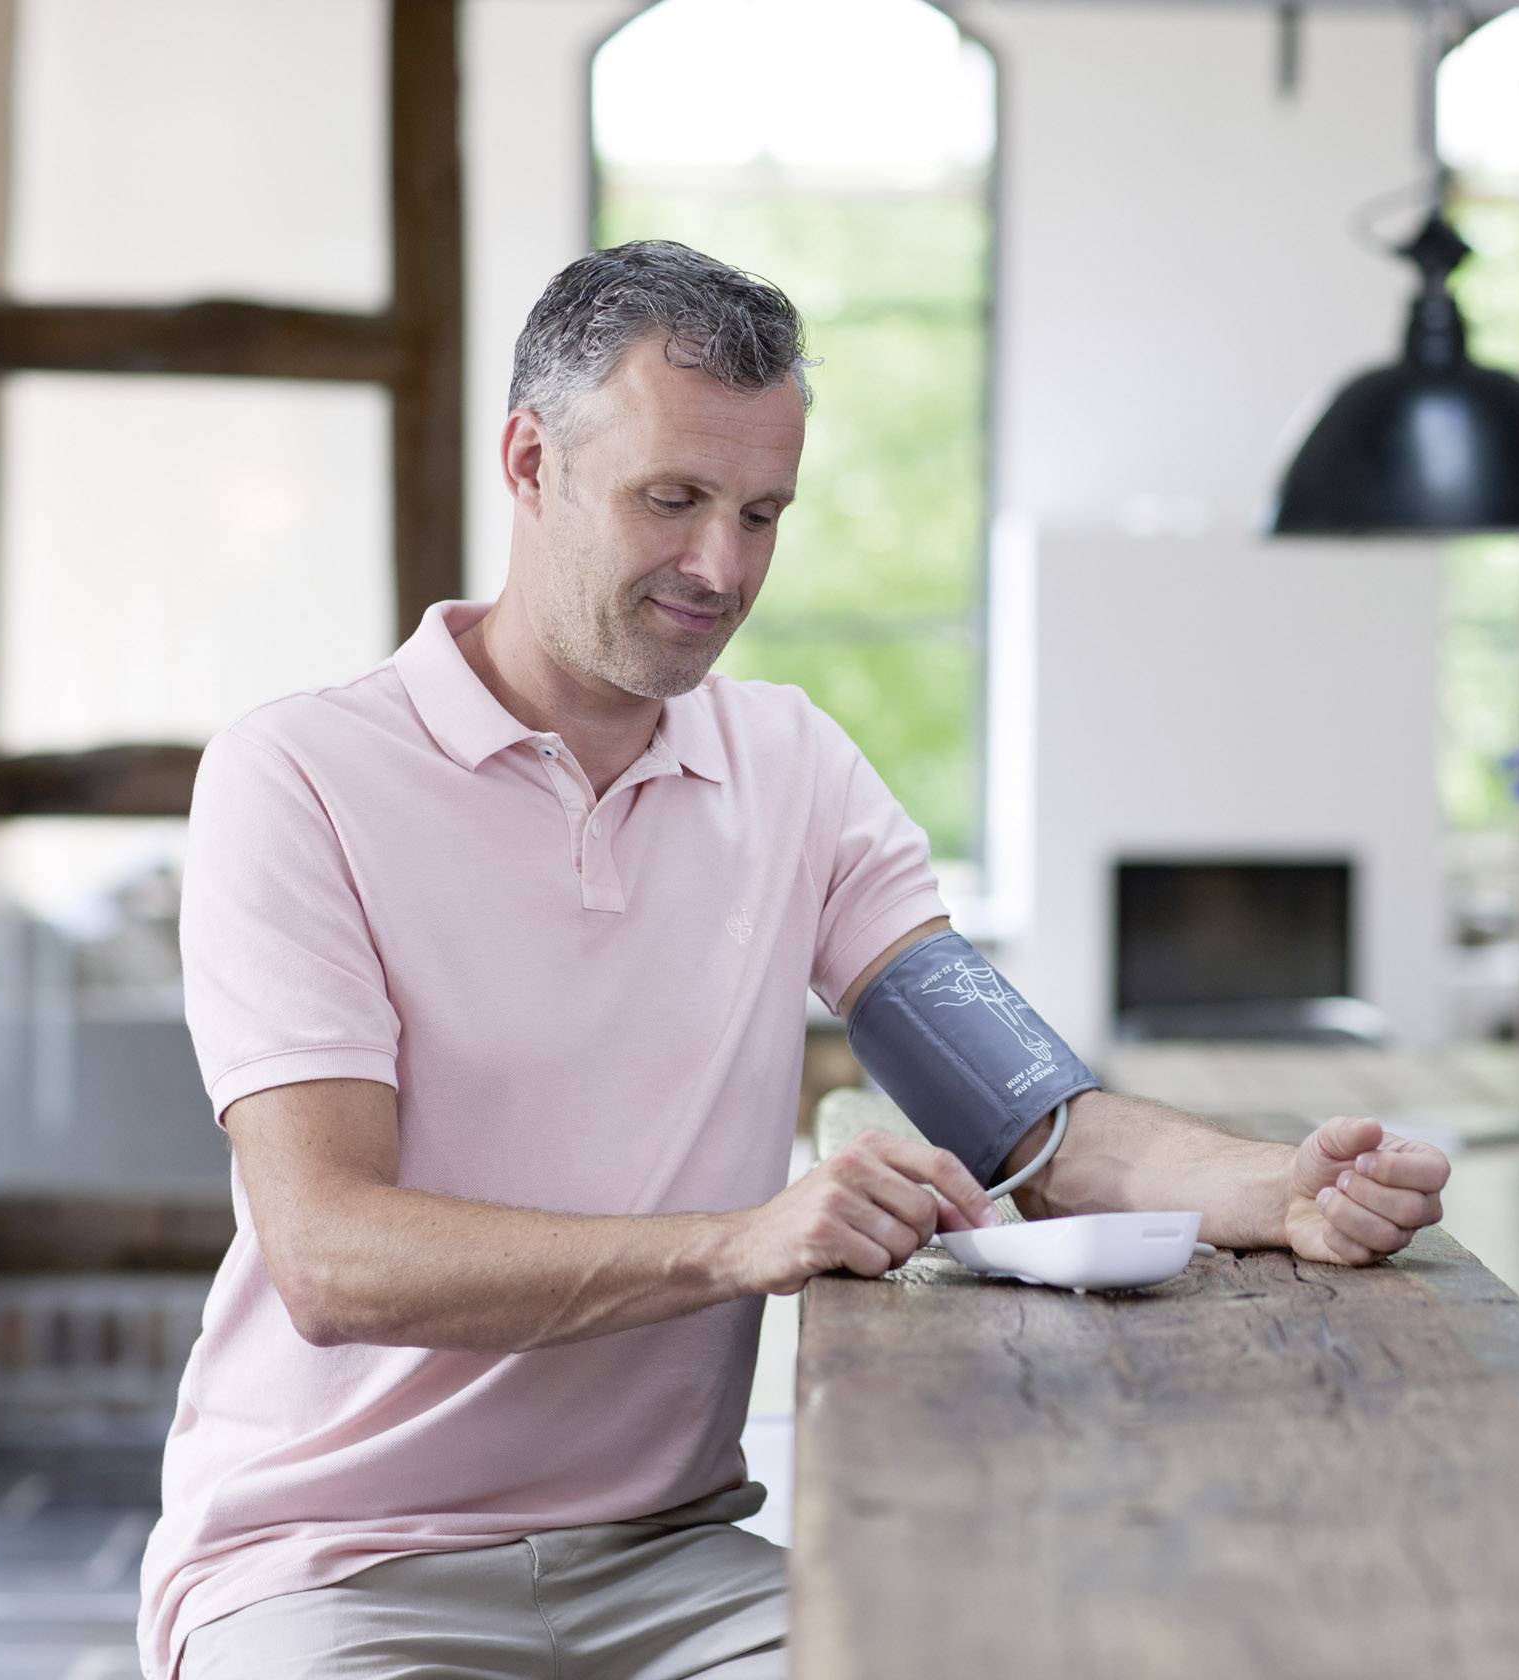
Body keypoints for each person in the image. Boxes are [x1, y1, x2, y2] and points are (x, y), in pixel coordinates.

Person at [137, 240, 1451, 1680]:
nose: (723, 568)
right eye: (674, 501)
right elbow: (332, 1256)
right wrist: (740, 1240)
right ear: (529, 462)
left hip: (677, 1563)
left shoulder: (794, 766)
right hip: (333, 1567)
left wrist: (1279, 1190)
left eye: (763, 514)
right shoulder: (300, 775)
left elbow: (1030, 1116)